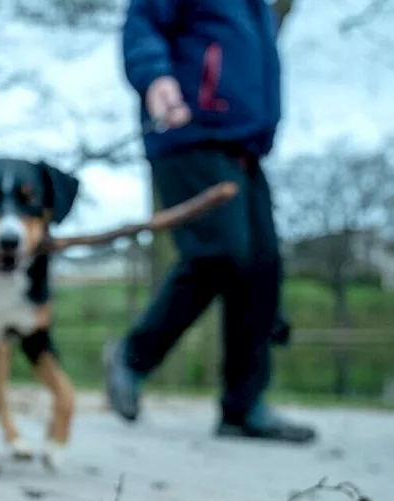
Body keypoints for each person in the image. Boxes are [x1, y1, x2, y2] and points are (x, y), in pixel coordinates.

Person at [106, 0, 316, 444]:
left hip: (243, 146)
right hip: (188, 131)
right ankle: (132, 356)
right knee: (219, 252)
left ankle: (243, 408)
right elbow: (143, 21)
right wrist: (156, 77)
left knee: (261, 266)